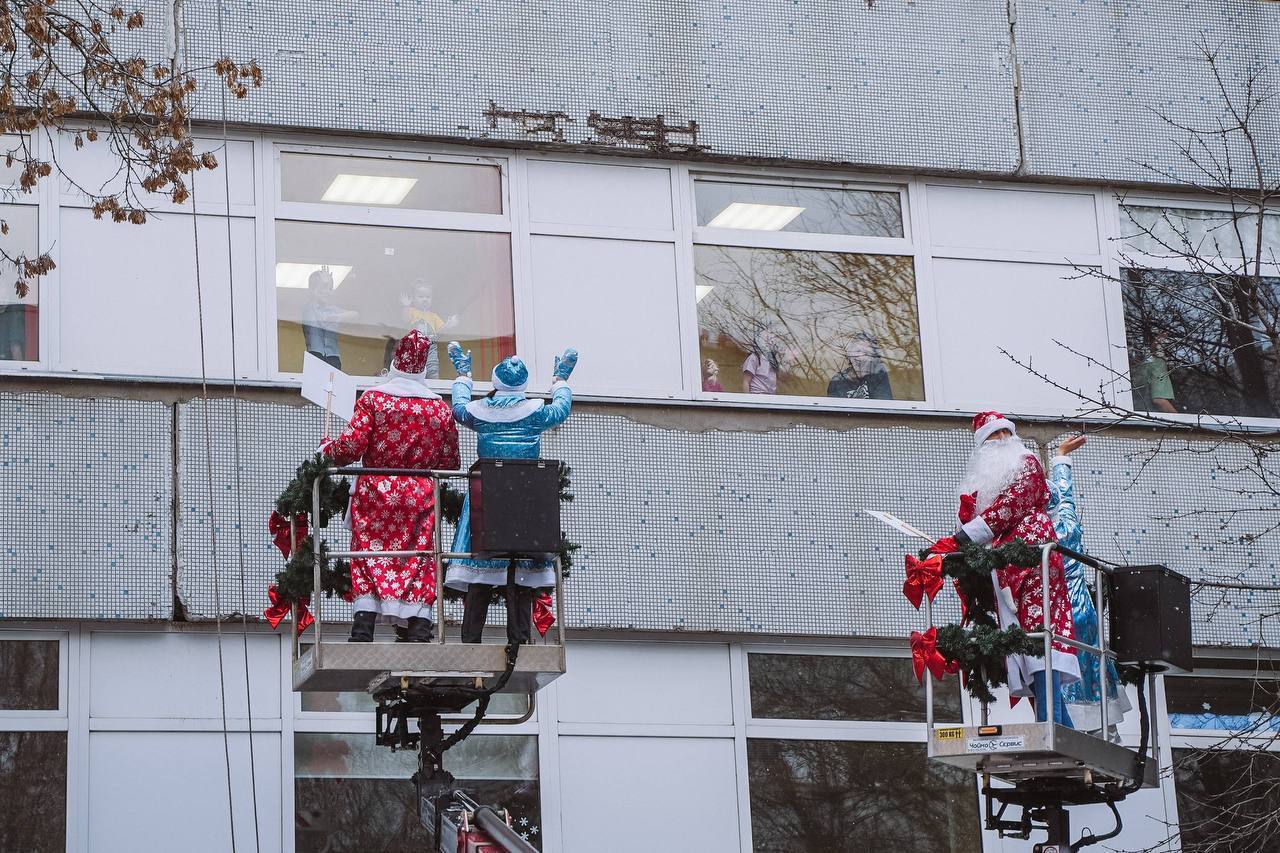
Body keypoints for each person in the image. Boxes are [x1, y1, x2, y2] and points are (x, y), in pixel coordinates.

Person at [320, 330, 460, 642]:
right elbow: (450, 462)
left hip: (376, 495)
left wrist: (328, 447)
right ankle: (420, 629)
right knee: (418, 556)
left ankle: (363, 629)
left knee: (369, 555)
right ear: (423, 365)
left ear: (396, 360)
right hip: (420, 495)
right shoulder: (440, 408)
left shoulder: (373, 399)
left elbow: (350, 448)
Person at [945, 411, 1081, 725]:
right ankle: (1056, 726)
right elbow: (976, 521)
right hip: (1004, 572)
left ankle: (1053, 727)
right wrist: (961, 534)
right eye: (994, 435)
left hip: (1034, 563)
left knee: (1039, 644)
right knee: (1024, 652)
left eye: (1006, 432)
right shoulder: (981, 482)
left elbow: (1013, 504)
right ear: (982, 444)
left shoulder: (1026, 462)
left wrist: (970, 533)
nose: (1002, 439)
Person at [445, 342, 578, 643]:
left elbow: (458, 409)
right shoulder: (535, 413)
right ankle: (518, 638)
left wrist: (464, 376)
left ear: (495, 382)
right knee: (521, 572)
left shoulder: (480, 413)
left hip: (486, 498)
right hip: (525, 498)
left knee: (479, 570)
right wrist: (560, 381)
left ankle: (470, 639)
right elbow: (561, 409)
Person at [1049, 434, 1131, 736]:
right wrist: (1061, 458)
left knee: (1068, 677)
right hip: (1083, 610)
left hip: (1060, 613)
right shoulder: (1067, 523)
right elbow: (1065, 495)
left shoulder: (1037, 536)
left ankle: (1074, 733)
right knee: (1092, 672)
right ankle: (1107, 736)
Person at [302, 267, 357, 370]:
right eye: (323, 287)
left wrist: (338, 317)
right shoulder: (309, 308)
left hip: (333, 355)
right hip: (316, 354)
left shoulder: (333, 310)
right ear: (314, 290)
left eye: (330, 288)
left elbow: (355, 314)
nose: (327, 291)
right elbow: (323, 322)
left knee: (334, 381)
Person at [826, 333, 894, 400]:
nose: (861, 357)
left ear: (873, 359)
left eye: (866, 353)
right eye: (858, 351)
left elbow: (882, 407)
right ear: (849, 354)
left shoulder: (878, 375)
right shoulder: (837, 381)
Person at [1131, 332, 1177, 413]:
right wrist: (1184, 423)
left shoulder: (1137, 368)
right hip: (1151, 419)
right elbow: (1159, 400)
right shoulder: (1158, 364)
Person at [742, 325, 784, 394]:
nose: (770, 342)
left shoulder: (774, 360)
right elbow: (746, 381)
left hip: (770, 398)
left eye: (773, 339)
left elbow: (782, 380)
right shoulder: (755, 357)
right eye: (767, 339)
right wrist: (748, 401)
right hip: (756, 395)